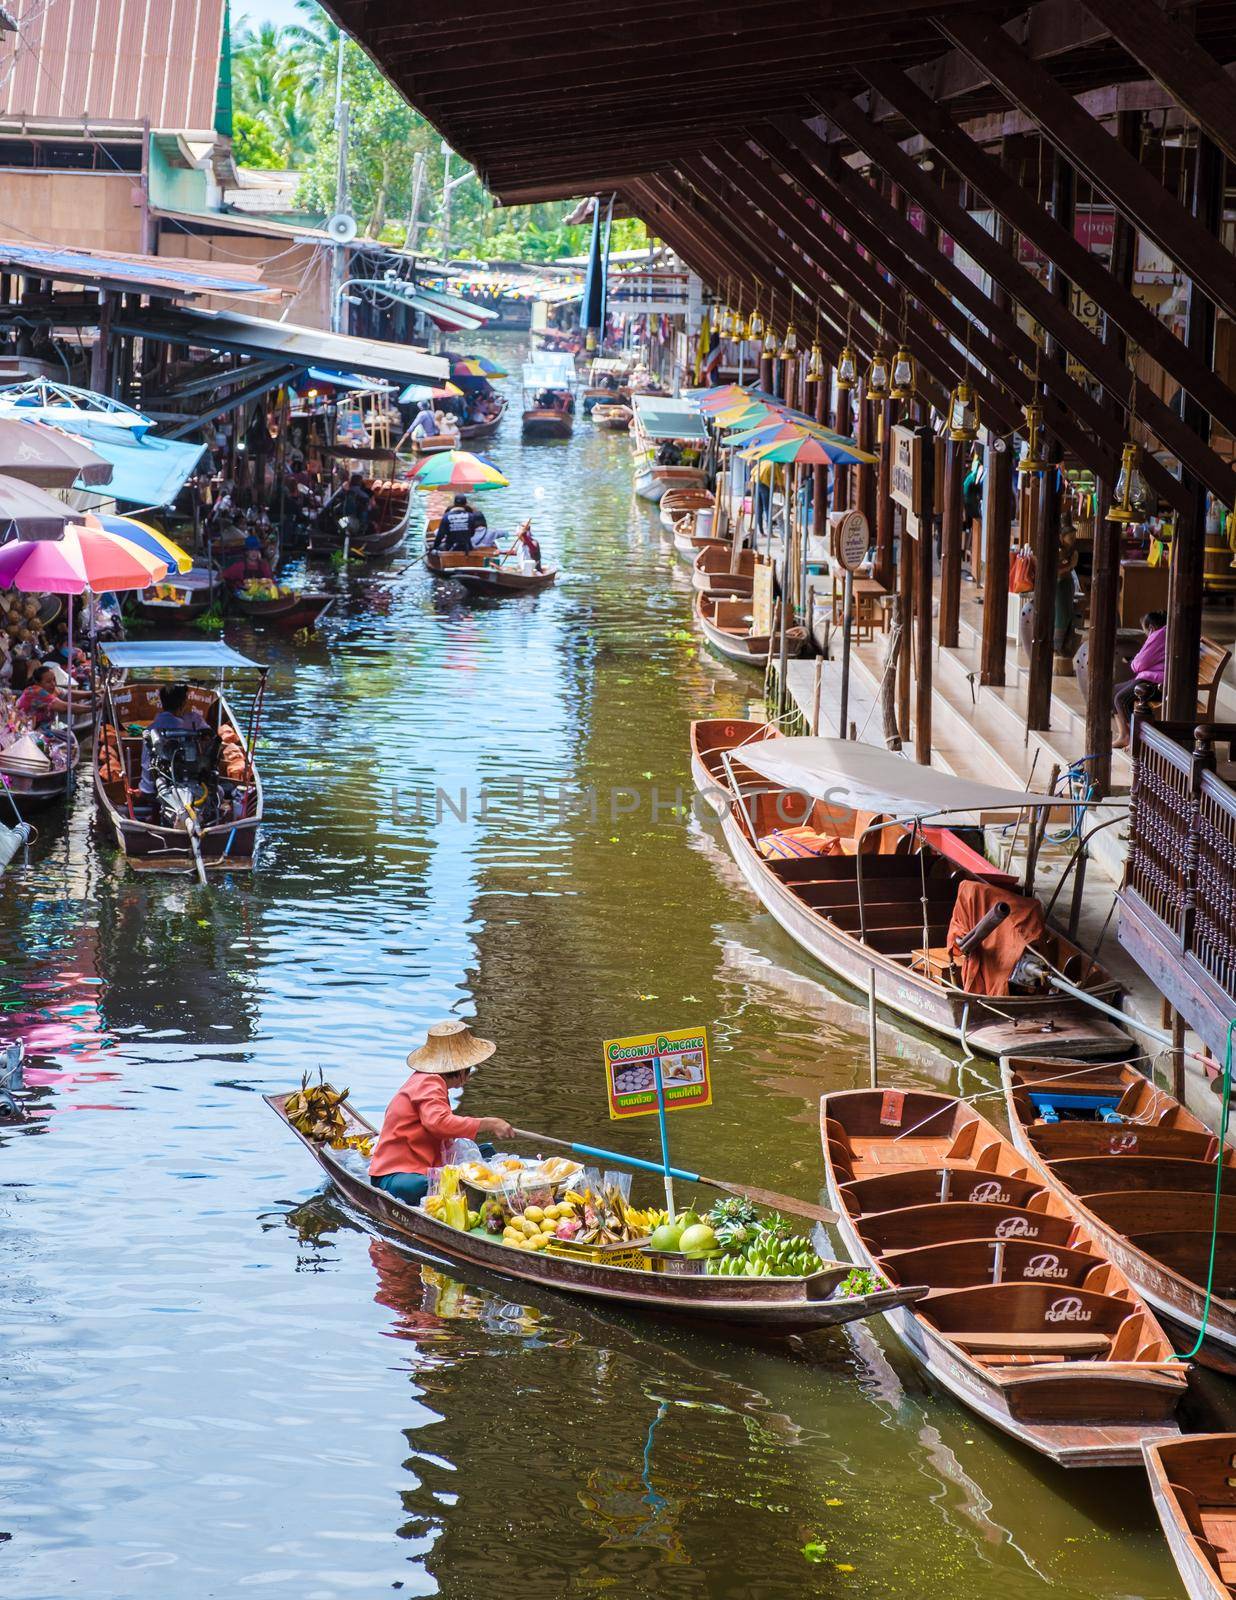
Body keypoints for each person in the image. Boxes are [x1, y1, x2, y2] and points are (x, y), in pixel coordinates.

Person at [368, 1020, 515, 1205]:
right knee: (424, 1186)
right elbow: (438, 1123)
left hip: (425, 1162)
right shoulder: (429, 1081)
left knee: (487, 1151)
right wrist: (489, 1123)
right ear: (460, 1069)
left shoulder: (429, 1080)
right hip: (397, 1174)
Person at [139, 682, 209, 796]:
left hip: (155, 789)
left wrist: (145, 790)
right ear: (183, 703)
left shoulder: (150, 730)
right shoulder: (193, 725)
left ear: (162, 703)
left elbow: (147, 766)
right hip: (191, 786)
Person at [1113, 610, 1169, 749]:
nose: (1146, 635)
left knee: (1121, 699)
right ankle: (1124, 735)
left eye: (1146, 631)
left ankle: (1136, 739)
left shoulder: (1159, 635)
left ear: (1151, 628)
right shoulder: (1163, 633)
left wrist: (1133, 663)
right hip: (1151, 678)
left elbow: (1139, 663)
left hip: (1156, 683)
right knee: (1112, 692)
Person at [16, 665, 69, 729]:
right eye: (48, 682)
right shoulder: (36, 692)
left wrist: (85, 695)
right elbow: (64, 707)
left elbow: (68, 694)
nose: (53, 684)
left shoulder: (50, 689)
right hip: (30, 730)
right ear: (38, 683)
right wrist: (84, 709)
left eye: (54, 680)